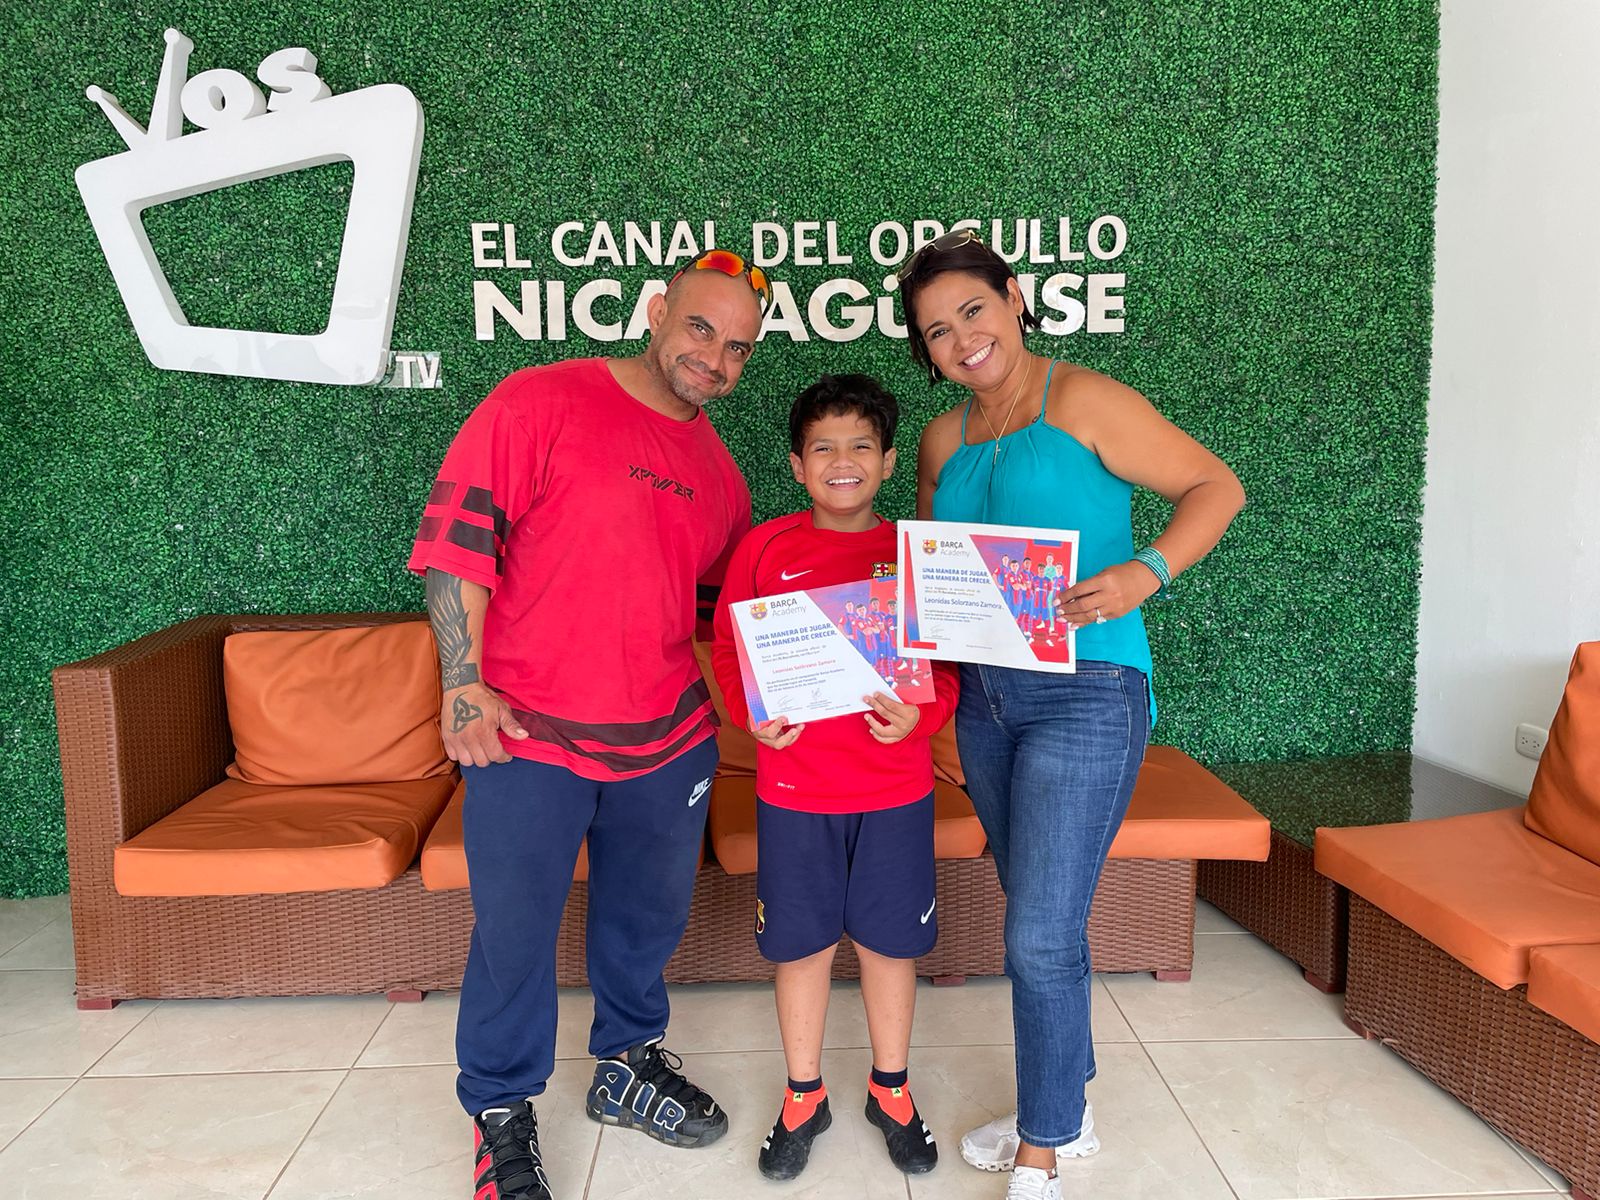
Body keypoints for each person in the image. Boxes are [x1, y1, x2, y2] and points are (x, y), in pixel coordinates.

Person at [408, 249, 769, 1200]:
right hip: (528, 732)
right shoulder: (538, 402)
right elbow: (459, 546)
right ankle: (499, 1111)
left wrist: (791, 691)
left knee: (645, 921)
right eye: (701, 328)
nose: (715, 359)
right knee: (514, 934)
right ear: (656, 310)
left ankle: (626, 1066)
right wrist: (462, 680)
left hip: (667, 739)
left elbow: (713, 617)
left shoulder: (722, 477)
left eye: (738, 348)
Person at [901, 230, 1246, 1200]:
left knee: (1037, 934)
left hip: (1090, 694)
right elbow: (933, 572)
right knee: (1040, 915)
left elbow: (1215, 486)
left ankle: (1044, 1150)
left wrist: (1145, 573)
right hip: (986, 698)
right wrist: (933, 701)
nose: (960, 339)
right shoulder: (940, 440)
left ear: (1013, 299)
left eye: (972, 309)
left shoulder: (1084, 400)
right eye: (935, 331)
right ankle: (1070, 1098)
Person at [710, 374, 960, 1183]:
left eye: (861, 446)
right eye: (824, 447)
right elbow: (728, 650)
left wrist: (920, 719)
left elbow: (948, 666)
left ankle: (891, 1091)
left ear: (889, 461)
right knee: (801, 945)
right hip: (794, 793)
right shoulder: (765, 548)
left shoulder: (917, 554)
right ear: (796, 464)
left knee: (891, 946)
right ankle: (802, 1095)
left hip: (894, 791)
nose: (842, 461)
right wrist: (753, 712)